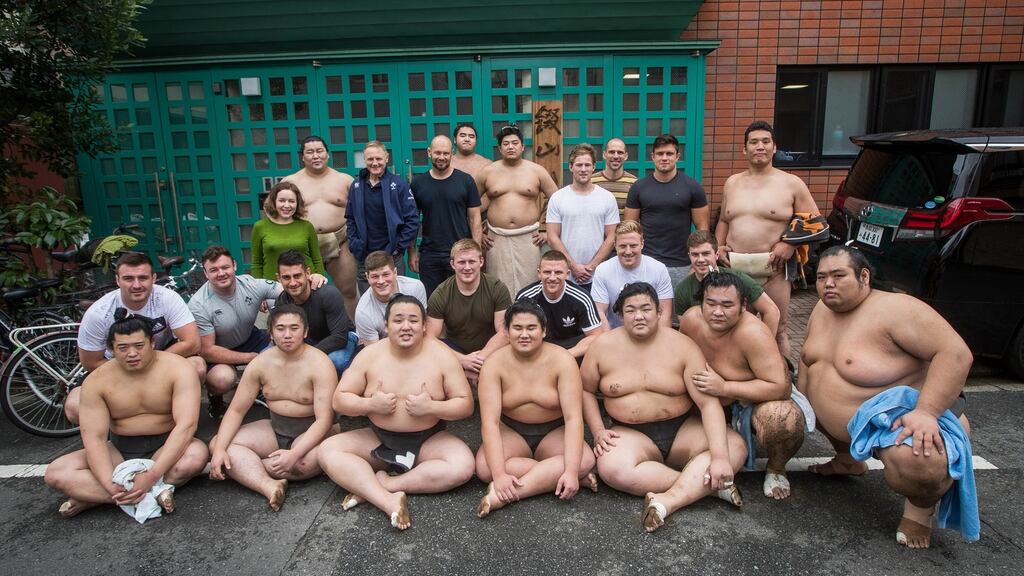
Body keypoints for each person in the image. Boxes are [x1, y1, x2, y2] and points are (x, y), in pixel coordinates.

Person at [801, 245, 975, 549]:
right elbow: (812, 362)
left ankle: (920, 511)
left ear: (864, 276)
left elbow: (955, 353)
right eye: (821, 277)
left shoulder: (898, 309)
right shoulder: (822, 308)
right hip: (851, 421)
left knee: (920, 461)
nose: (828, 284)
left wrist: (927, 412)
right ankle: (847, 460)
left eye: (839, 275)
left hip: (901, 421)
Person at [581, 283, 746, 532]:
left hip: (682, 430)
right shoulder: (601, 347)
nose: (639, 316)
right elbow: (584, 390)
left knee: (734, 447)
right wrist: (598, 431)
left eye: (646, 309)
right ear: (620, 315)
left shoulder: (683, 346)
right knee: (613, 470)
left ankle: (668, 500)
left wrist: (721, 458)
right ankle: (707, 488)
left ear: (659, 312)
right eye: (630, 310)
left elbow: (707, 402)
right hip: (630, 434)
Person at [318, 295, 476, 530]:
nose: (405, 326)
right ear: (386, 325)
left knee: (462, 466)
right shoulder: (369, 355)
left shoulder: (443, 356)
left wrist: (432, 407)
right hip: (378, 437)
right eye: (398, 320)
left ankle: (383, 484)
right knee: (328, 451)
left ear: (424, 326)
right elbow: (339, 400)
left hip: (429, 440)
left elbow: (466, 405)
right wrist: (370, 405)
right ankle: (387, 500)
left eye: (413, 320)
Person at [45, 317, 209, 518]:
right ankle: (146, 495)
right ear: (111, 349)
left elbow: (186, 425)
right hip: (119, 449)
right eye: (122, 348)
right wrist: (109, 484)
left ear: (152, 343)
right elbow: (94, 439)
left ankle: (92, 498)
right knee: (56, 473)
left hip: (165, 445)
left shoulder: (179, 368)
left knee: (196, 456)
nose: (132, 353)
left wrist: (152, 475)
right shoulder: (97, 380)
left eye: (139, 346)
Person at [678, 272, 811, 500]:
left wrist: (725, 387)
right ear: (701, 303)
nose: (717, 312)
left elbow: (779, 387)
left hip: (752, 398)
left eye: (727, 305)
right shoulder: (691, 320)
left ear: (743, 307)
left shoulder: (753, 334)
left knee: (783, 419)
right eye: (710, 303)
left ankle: (777, 468)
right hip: (708, 396)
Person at [208, 304, 339, 511]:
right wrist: (220, 451)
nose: (287, 335)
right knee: (218, 445)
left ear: (305, 332)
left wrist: (294, 454)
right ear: (270, 333)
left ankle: (244, 469)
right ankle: (268, 484)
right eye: (280, 328)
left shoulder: (320, 364)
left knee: (301, 465)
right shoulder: (260, 363)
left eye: (294, 328)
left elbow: (325, 420)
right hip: (275, 427)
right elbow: (236, 410)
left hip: (310, 431)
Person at [475, 301, 597, 518]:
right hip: (511, 431)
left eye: (531, 328)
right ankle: (554, 476)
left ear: (544, 331)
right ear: (506, 331)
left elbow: (573, 419)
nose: (524, 334)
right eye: (517, 328)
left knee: (585, 460)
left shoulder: (563, 360)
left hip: (553, 431)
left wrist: (570, 471)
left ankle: (504, 496)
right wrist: (500, 474)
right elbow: (490, 423)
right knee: (486, 469)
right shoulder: (494, 364)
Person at [715, 120, 820, 358]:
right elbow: (723, 220)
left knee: (779, 330)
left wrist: (790, 243)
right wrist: (719, 245)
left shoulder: (791, 183)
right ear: (745, 149)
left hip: (774, 269)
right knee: (737, 328)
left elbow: (816, 222)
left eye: (765, 141)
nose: (759, 146)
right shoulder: (732, 183)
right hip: (736, 266)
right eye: (753, 142)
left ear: (774, 147)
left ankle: (783, 381)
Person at [71, 251, 203, 425]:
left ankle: (175, 420)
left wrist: (148, 364)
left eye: (143, 278)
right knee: (73, 406)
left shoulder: (168, 298)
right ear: (117, 280)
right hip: (118, 367)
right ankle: (116, 425)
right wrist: (131, 371)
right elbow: (90, 362)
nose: (136, 285)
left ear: (153, 278)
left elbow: (192, 343)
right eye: (128, 279)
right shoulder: (98, 313)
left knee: (197, 367)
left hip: (163, 360)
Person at [188, 246, 292, 418]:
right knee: (222, 379)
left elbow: (289, 288)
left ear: (234, 265)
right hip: (218, 349)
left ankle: (264, 391)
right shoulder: (198, 304)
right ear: (206, 273)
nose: (221, 273)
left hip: (250, 337)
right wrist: (249, 358)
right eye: (213, 270)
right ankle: (215, 400)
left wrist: (313, 279)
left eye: (225, 267)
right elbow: (207, 350)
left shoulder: (249, 283)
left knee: (284, 352)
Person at [474, 124, 558, 297]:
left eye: (514, 143)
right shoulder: (488, 172)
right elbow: (471, 207)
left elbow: (559, 202)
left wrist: (548, 233)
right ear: (499, 148)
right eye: (506, 144)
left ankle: (530, 322)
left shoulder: (536, 171)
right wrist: (479, 235)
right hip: (496, 238)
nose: (510, 147)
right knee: (498, 288)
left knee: (532, 285)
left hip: (529, 238)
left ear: (522, 146)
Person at [282, 135, 359, 319]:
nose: (315, 155)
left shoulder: (345, 180)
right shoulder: (290, 182)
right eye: (310, 152)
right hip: (303, 244)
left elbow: (360, 213)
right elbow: (275, 213)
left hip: (341, 241)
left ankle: (353, 333)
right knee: (300, 293)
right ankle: (306, 333)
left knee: (348, 290)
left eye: (319, 151)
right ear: (303, 157)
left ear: (327, 154)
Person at [624, 133, 709, 288]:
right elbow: (629, 228)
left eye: (669, 154)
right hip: (646, 262)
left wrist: (696, 262)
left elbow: (702, 229)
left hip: (681, 264)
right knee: (646, 309)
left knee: (679, 312)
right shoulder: (639, 187)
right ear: (653, 157)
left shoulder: (693, 187)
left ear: (677, 156)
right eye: (660, 154)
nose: (664, 158)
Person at [426, 239, 511, 384]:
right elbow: (430, 338)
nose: (467, 267)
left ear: (481, 262)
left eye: (472, 261)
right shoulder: (441, 293)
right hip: (455, 351)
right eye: (461, 262)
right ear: (452, 264)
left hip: (489, 349)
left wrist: (477, 361)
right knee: (430, 353)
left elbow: (504, 333)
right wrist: (463, 360)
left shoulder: (497, 288)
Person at [409, 134, 483, 297]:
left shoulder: (465, 181)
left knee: (462, 299)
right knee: (433, 301)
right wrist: (412, 252)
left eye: (445, 153)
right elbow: (412, 221)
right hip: (430, 253)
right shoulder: (418, 183)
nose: (441, 157)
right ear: (429, 152)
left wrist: (476, 251)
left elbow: (474, 218)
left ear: (451, 153)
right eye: (437, 153)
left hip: (460, 252)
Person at [673, 231, 780, 336]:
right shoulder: (683, 289)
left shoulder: (738, 279)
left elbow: (771, 310)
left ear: (717, 254)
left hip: (738, 338)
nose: (700, 259)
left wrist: (765, 343)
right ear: (689, 256)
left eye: (706, 254)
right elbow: (687, 328)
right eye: (695, 255)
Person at [345, 140, 419, 293]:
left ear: (386, 158)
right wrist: (355, 244)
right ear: (364, 160)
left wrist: (398, 246)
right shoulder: (356, 185)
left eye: (378, 158)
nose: (375, 163)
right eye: (370, 159)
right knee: (368, 301)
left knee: (396, 300)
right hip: (364, 256)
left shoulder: (398, 185)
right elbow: (350, 219)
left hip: (392, 256)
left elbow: (412, 220)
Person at [545, 143, 619, 289]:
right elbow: (552, 236)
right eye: (579, 165)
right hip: (564, 274)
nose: (583, 169)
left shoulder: (607, 198)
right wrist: (572, 266)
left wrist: (592, 266)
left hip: (598, 274)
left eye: (587, 165)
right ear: (571, 167)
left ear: (594, 166)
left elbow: (612, 237)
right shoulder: (558, 198)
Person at [275, 250, 358, 376]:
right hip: (307, 343)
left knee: (335, 361)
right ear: (278, 278)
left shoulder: (328, 294)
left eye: (297, 276)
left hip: (343, 337)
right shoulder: (282, 301)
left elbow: (340, 337)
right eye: (286, 277)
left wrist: (303, 355)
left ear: (307, 273)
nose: (292, 283)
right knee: (269, 354)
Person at [515, 250, 606, 361]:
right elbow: (515, 331)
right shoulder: (525, 297)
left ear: (567, 274)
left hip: (572, 348)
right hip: (538, 346)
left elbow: (595, 336)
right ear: (539, 273)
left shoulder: (582, 298)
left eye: (558, 272)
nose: (552, 278)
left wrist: (565, 356)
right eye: (547, 272)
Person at [590, 221, 673, 329]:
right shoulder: (603, 270)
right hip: (616, 333)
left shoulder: (659, 269)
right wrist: (609, 341)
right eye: (623, 246)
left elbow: (665, 314)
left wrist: (658, 343)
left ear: (642, 244)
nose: (628, 251)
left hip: (651, 333)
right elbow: (599, 312)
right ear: (615, 245)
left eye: (633, 246)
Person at [250, 181, 325, 281]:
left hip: (305, 286)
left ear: (297, 203)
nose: (287, 205)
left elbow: (317, 259)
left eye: (291, 201)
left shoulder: (307, 226)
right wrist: (258, 288)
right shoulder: (260, 226)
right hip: (272, 287)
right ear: (274, 202)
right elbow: (257, 262)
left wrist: (318, 277)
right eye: (282, 200)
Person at [354, 250, 427, 346]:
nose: (381, 281)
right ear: (367, 277)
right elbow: (375, 352)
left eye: (386, 274)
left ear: (395, 272)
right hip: (383, 349)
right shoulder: (363, 312)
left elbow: (422, 328)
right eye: (375, 276)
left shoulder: (415, 287)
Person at [590, 137, 637, 220]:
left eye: (620, 152)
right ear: (604, 154)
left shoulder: (635, 184)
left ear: (626, 156)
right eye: (612, 152)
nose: (616, 156)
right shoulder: (591, 181)